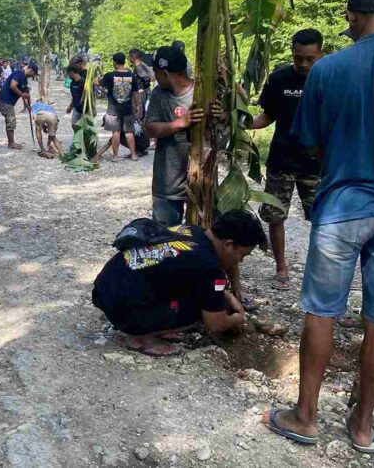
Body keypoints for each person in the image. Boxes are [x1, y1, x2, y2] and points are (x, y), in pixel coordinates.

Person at [263, 0, 374, 452]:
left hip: (342, 206)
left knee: (322, 312)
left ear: (352, 16)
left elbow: (308, 142)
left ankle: (306, 416)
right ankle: (364, 426)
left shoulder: (327, 70)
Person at [92, 211, 267, 357]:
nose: (240, 261)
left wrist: (223, 293)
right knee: (204, 310)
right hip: (122, 308)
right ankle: (141, 337)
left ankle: (149, 320)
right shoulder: (209, 266)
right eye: (242, 255)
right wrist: (238, 317)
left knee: (208, 297)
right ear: (229, 244)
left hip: (106, 289)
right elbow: (216, 324)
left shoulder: (192, 230)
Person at [248, 29, 323, 291]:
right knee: (275, 216)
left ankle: (319, 269)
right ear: (292, 52)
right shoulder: (278, 79)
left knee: (322, 220)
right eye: (298, 57)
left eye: (310, 59)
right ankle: (281, 267)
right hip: (281, 161)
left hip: (316, 165)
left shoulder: (328, 79)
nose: (303, 64)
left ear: (320, 54)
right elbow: (267, 116)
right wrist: (241, 123)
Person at [143, 46, 205, 228]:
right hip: (167, 185)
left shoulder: (203, 92)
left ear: (164, 73)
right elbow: (150, 128)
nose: (154, 76)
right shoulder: (158, 94)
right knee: (164, 238)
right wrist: (180, 123)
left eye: (155, 71)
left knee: (199, 237)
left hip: (201, 183)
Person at [97, 52, 144, 161]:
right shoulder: (131, 76)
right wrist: (138, 105)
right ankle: (134, 154)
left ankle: (115, 156)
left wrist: (92, 75)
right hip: (128, 109)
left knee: (116, 132)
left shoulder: (110, 76)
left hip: (113, 110)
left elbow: (98, 83)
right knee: (129, 132)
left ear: (114, 62)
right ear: (124, 61)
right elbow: (135, 92)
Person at [0, 61, 37, 150]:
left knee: (11, 120)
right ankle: (11, 143)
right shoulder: (19, 73)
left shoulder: (24, 79)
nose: (33, 75)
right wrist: (22, 95)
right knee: (11, 120)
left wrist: (28, 106)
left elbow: (26, 94)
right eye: (33, 73)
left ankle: (11, 142)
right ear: (30, 70)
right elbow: (13, 86)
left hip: (9, 102)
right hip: (5, 100)